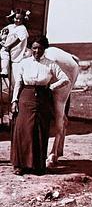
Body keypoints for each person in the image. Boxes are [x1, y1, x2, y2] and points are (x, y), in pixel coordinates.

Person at [10, 36, 70, 175]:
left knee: (40, 130)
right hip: (26, 96)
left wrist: (51, 87)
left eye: (40, 48)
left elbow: (65, 79)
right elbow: (18, 83)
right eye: (34, 48)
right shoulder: (24, 63)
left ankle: (37, 166)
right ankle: (20, 165)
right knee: (23, 130)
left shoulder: (51, 64)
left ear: (44, 49)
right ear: (31, 48)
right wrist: (14, 101)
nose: (37, 51)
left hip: (43, 99)